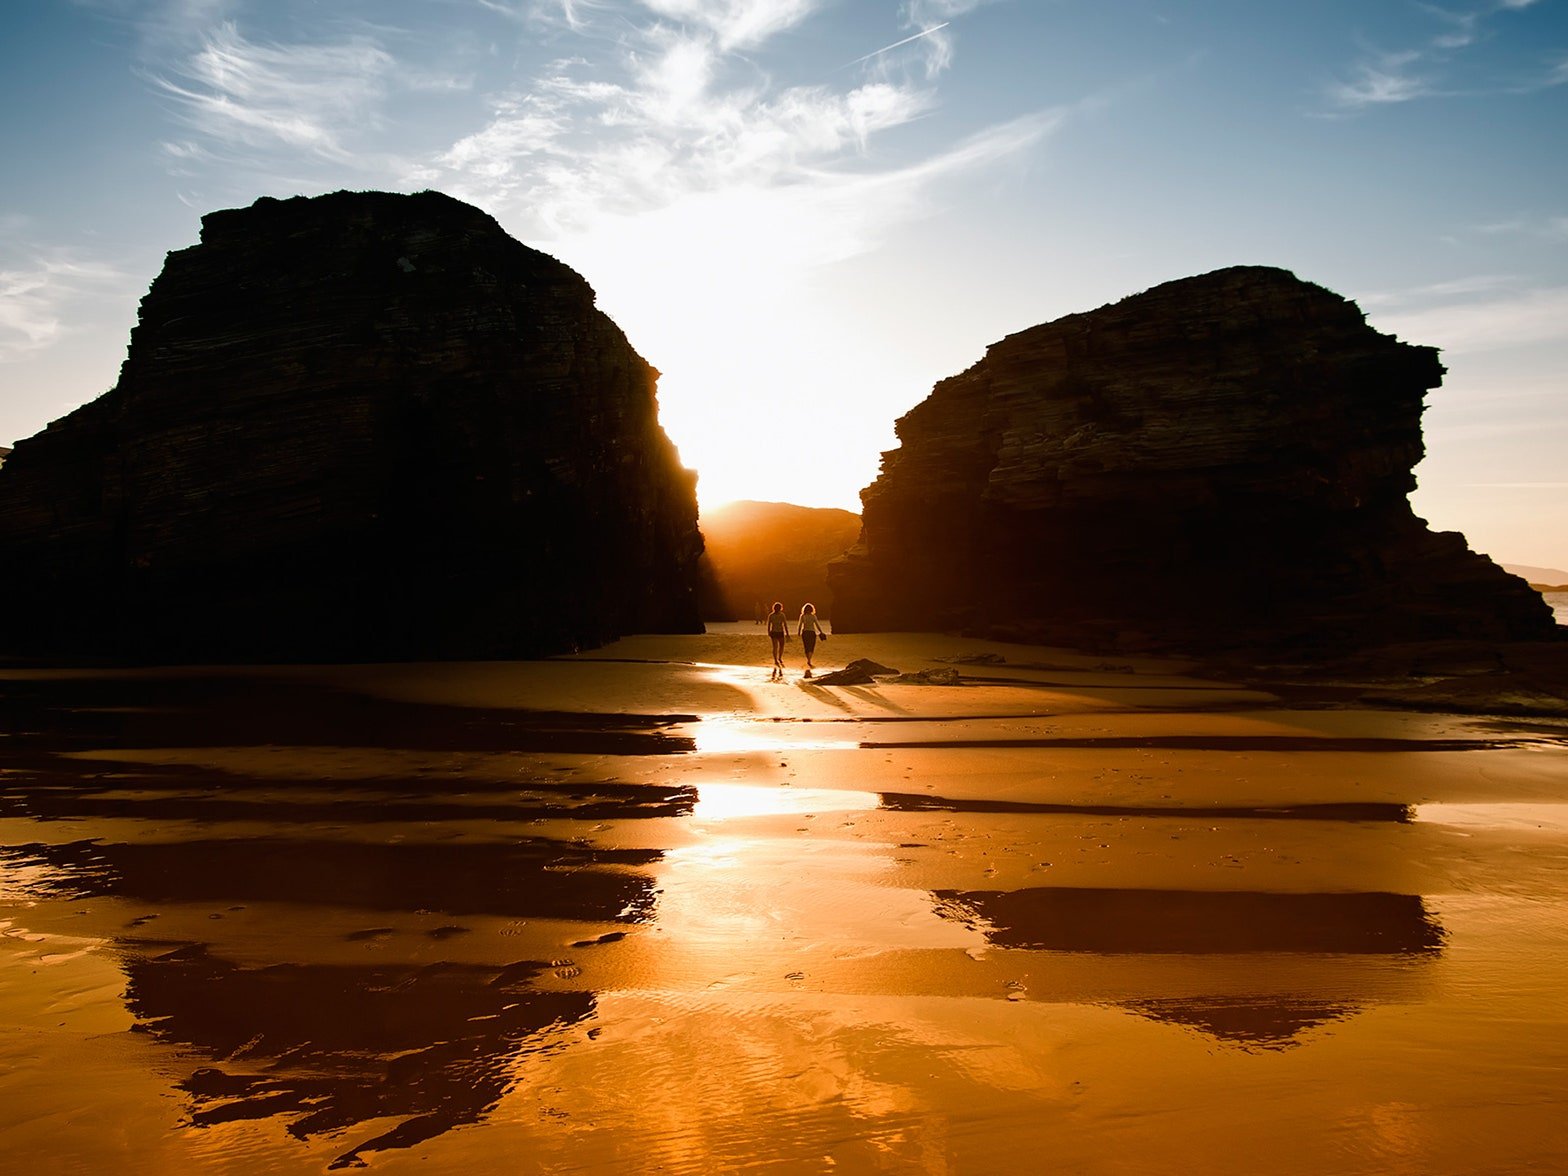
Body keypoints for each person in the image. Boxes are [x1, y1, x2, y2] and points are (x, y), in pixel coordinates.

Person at [797, 603, 827, 677]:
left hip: (805, 632)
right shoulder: (813, 616)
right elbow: (817, 624)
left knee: (806, 646)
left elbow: (800, 624)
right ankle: (809, 660)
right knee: (811, 646)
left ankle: (808, 659)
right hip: (812, 632)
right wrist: (821, 631)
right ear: (811, 609)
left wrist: (798, 632)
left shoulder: (802, 616)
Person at [765, 601, 790, 679]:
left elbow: (769, 625)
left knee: (776, 646)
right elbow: (785, 624)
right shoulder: (781, 615)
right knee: (780, 646)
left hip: (775, 632)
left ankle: (777, 659)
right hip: (779, 632)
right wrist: (787, 633)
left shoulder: (771, 615)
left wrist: (768, 632)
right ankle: (778, 658)